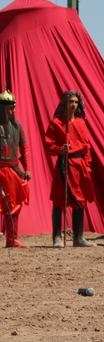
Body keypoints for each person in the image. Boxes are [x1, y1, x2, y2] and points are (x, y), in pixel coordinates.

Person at [43, 90, 96, 247]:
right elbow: (48, 145)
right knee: (59, 199)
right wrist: (60, 150)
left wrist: (87, 165)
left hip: (79, 166)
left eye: (75, 102)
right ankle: (57, 237)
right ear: (64, 104)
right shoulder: (56, 123)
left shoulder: (81, 123)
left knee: (80, 200)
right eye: (70, 102)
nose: (73, 105)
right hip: (64, 164)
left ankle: (78, 237)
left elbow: (87, 147)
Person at [0, 89, 30, 248]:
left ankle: (12, 240)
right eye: (11, 107)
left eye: (14, 107)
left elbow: (24, 148)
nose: (14, 110)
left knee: (14, 205)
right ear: (3, 109)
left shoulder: (17, 125)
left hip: (12, 170)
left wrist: (28, 168)